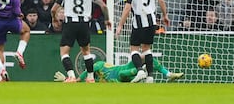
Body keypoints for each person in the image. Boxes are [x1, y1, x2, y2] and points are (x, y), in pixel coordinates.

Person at [51, 0, 111, 83]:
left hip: (70, 23)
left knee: (64, 52)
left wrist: (54, 19)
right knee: (86, 52)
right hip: (84, 23)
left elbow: (54, 9)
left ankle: (71, 76)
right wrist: (107, 19)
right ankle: (90, 77)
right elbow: (103, 6)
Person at [116, 0, 170, 83]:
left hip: (139, 21)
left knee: (134, 49)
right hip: (152, 21)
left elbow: (127, 7)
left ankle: (140, 70)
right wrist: (165, 15)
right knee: (147, 49)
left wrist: (120, 25)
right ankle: (150, 77)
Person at [54, 59, 184, 82]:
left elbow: (86, 73)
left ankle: (168, 74)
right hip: (122, 79)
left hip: (124, 69)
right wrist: (65, 79)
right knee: (123, 76)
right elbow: (80, 84)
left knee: (147, 57)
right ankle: (141, 72)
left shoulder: (99, 65)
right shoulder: (93, 81)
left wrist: (75, 79)